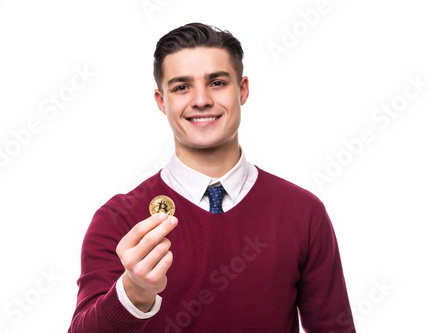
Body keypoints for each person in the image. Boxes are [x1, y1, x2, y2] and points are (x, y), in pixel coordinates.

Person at [68, 22, 356, 332]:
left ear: (242, 90)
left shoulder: (303, 212)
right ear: (161, 101)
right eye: (181, 87)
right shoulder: (118, 219)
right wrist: (134, 292)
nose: (201, 100)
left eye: (217, 82)